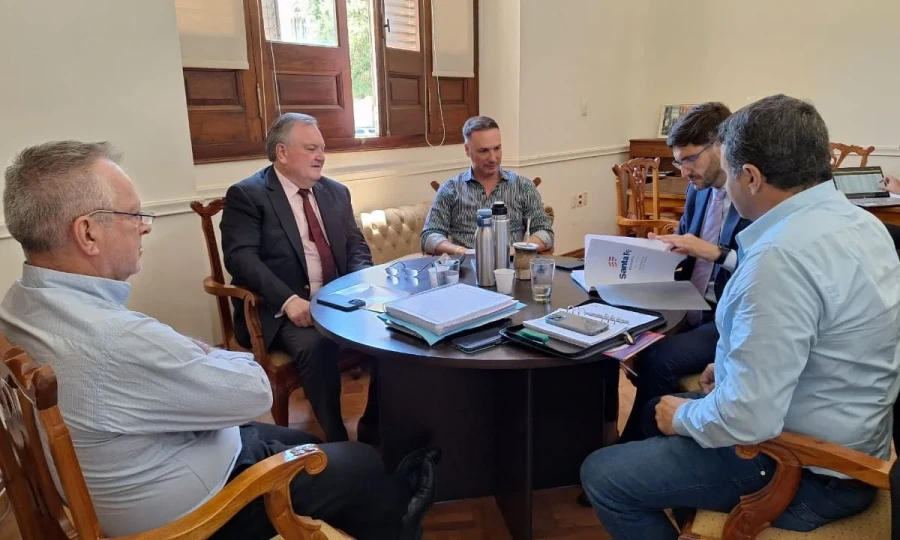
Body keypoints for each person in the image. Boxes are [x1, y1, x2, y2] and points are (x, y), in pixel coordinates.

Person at [0, 141, 438, 540]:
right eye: (133, 215)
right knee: (361, 464)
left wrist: (190, 356)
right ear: (88, 233)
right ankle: (395, 514)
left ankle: (379, 502)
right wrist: (201, 352)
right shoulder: (114, 338)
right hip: (196, 512)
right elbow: (254, 391)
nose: (145, 228)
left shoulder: (18, 304)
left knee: (311, 446)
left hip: (162, 453)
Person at [580, 94, 900, 539]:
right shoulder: (863, 224)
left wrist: (687, 418)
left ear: (750, 176)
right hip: (849, 433)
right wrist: (729, 365)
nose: (721, 185)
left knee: (603, 474)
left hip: (803, 468)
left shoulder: (779, 259)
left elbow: (749, 420)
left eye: (728, 172)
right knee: (655, 407)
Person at [221, 113, 374, 443]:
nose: (321, 156)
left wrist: (362, 282)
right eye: (310, 148)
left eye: (322, 148)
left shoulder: (336, 193)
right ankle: (336, 440)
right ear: (282, 153)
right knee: (316, 345)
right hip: (280, 310)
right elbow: (241, 258)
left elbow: (355, 243)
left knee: (388, 331)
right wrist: (289, 300)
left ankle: (374, 425)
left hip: (337, 300)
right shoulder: (248, 196)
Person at [617, 102, 752, 443]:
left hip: (720, 315)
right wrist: (660, 250)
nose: (683, 172)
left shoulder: (752, 197)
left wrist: (715, 253)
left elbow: (760, 269)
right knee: (615, 330)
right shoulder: (698, 188)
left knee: (658, 361)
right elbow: (687, 245)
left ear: (722, 146)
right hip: (684, 299)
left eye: (690, 159)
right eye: (678, 162)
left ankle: (636, 446)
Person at [420, 116, 554, 255]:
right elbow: (429, 236)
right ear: (467, 149)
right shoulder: (450, 189)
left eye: (497, 148)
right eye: (484, 151)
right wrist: (462, 251)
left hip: (512, 268)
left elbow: (545, 232)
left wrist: (516, 250)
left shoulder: (523, 186)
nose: (493, 158)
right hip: (466, 269)